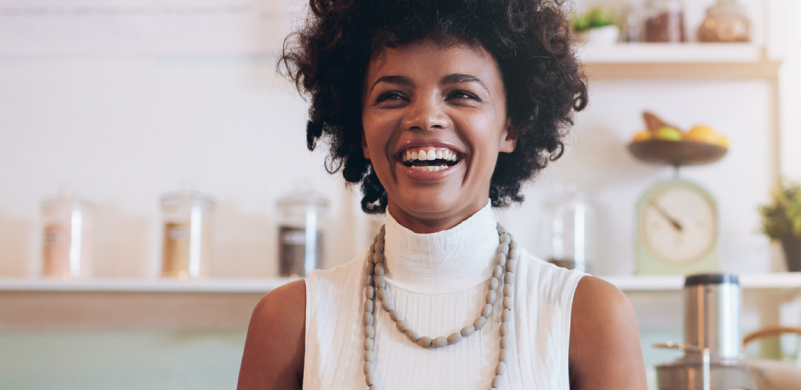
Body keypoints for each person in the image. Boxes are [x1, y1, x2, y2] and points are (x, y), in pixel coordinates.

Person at [237, 0, 647, 388]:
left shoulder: (590, 316)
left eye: (462, 95)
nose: (425, 117)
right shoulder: (290, 322)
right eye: (392, 96)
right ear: (360, 131)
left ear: (511, 126)